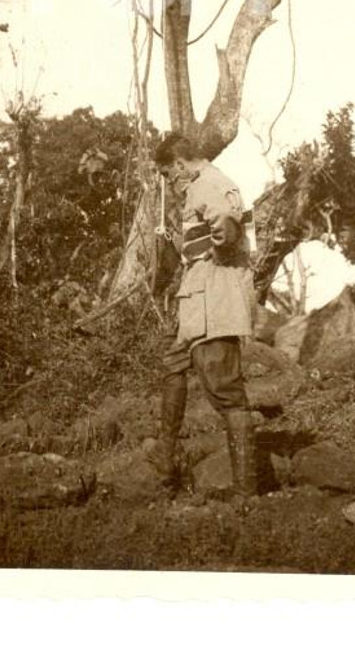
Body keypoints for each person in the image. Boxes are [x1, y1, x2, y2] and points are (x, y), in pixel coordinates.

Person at [148, 131, 257, 498]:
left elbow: (226, 220)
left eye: (167, 174)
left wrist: (220, 242)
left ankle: (245, 490)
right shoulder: (199, 187)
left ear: (179, 165)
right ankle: (165, 459)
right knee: (173, 360)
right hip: (197, 298)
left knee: (223, 386)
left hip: (215, 298)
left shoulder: (211, 182)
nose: (169, 182)